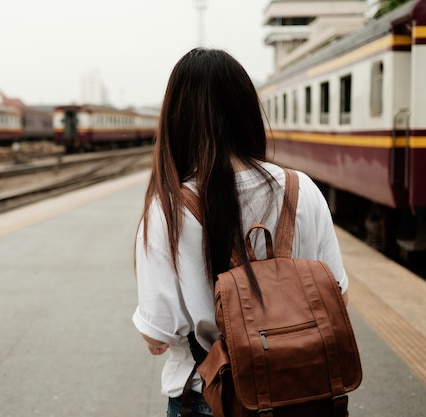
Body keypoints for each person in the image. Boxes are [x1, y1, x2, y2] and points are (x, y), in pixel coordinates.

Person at [132, 48, 349, 417]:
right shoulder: (303, 189)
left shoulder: (168, 209)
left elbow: (159, 333)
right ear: (247, 109)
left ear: (176, 120)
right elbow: (338, 298)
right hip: (305, 393)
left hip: (212, 399)